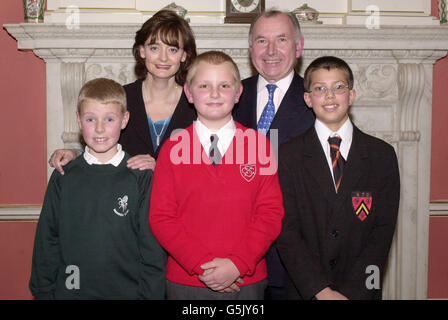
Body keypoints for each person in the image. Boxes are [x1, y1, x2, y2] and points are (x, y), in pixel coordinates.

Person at [149, 51, 284, 300]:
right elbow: (161, 217)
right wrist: (203, 266)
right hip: (187, 281)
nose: (214, 94)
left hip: (246, 280)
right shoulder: (171, 148)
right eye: (204, 86)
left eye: (224, 85)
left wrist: (237, 264)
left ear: (238, 92)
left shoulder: (259, 146)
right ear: (189, 93)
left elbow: (270, 213)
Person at [29, 78, 166, 299]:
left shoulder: (140, 178)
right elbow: (47, 239)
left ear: (124, 120)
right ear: (79, 121)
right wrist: (43, 291)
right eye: (90, 119)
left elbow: (151, 249)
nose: (100, 129)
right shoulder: (64, 176)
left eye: (109, 119)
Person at [276, 56, 400, 300]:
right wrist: (320, 291)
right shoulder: (288, 156)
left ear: (351, 95)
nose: (330, 96)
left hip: (361, 291)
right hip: (306, 291)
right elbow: (286, 232)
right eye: (320, 89)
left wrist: (352, 293)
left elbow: (382, 233)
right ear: (308, 99)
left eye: (338, 87)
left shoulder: (381, 155)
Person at [48, 10, 197, 173]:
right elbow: (102, 144)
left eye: (172, 50)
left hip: (178, 197)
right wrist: (75, 154)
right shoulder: (120, 99)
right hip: (126, 196)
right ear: (142, 51)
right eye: (154, 48)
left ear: (184, 55)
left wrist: (160, 167)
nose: (163, 58)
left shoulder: (197, 104)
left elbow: (206, 165)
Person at [233, 9, 315, 299]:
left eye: (281, 39)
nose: (270, 51)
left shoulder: (317, 100)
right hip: (234, 260)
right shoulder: (228, 96)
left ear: (298, 46)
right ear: (250, 48)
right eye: (261, 40)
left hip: (293, 263)